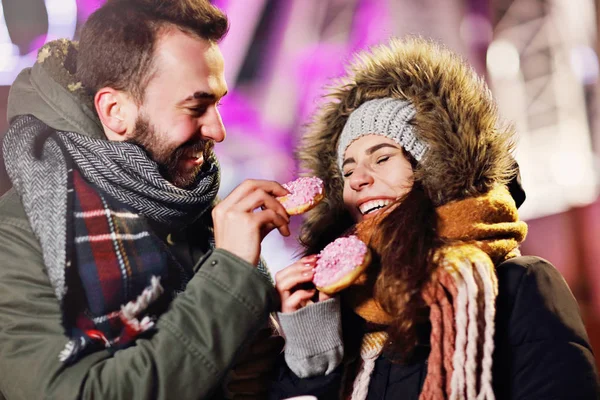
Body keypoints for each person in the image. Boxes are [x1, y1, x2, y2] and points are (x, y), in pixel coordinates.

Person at [269, 37, 600, 399]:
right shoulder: (341, 309)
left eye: (382, 159)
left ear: (434, 169)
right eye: (347, 173)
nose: (359, 179)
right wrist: (311, 349)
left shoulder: (518, 284)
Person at [0, 0, 288, 399]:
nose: (218, 131)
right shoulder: (18, 235)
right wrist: (232, 272)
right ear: (116, 110)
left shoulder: (184, 198)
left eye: (217, 104)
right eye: (196, 106)